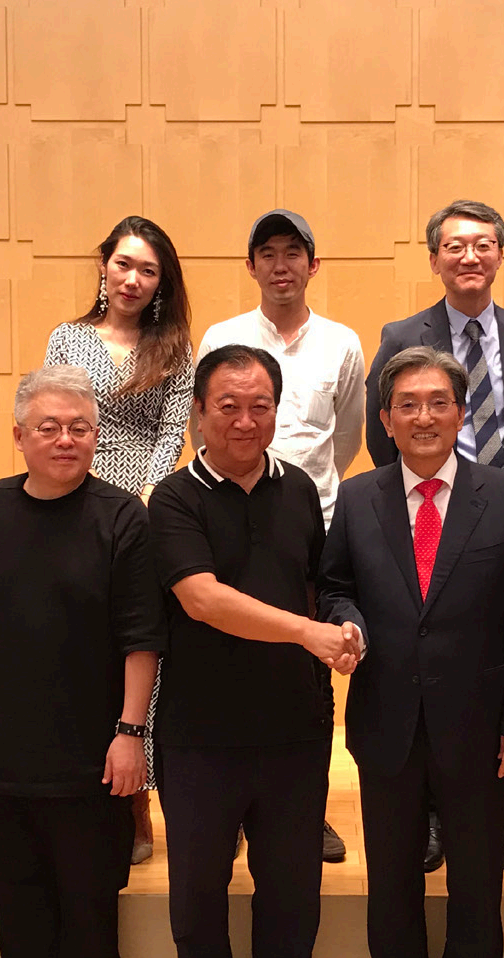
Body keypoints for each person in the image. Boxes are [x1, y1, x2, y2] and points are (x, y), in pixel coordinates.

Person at [320, 345, 504, 958]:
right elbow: (334, 586)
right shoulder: (358, 498)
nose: (423, 417)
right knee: (391, 883)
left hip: (480, 728)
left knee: (477, 884)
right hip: (387, 721)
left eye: (438, 402)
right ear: (384, 420)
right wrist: (346, 622)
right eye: (407, 405)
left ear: (461, 412)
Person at [149, 344, 360, 958]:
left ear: (277, 409)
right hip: (199, 734)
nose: (245, 420)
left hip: (295, 729)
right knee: (198, 893)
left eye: (259, 406)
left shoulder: (297, 488)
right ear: (199, 412)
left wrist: (342, 625)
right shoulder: (173, 498)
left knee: (291, 890)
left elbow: (319, 585)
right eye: (228, 406)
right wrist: (307, 632)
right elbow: (202, 599)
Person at [0, 365, 166, 958]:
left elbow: (142, 636)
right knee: (15, 880)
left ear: (96, 436)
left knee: (90, 881)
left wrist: (130, 732)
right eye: (48, 427)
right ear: (19, 435)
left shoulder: (122, 516)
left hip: (93, 741)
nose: (64, 440)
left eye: (79, 428)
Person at [364, 199, 504, 872]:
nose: (469, 257)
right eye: (454, 246)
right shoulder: (400, 333)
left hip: (502, 520)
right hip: (427, 514)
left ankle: (494, 818)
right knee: (433, 670)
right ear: (434, 259)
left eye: (482, 245)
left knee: (500, 660)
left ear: (499, 253)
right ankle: (432, 819)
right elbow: (380, 434)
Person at [198, 208, 367, 864]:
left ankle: (305, 808)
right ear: (250, 266)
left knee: (308, 666)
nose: (280, 265)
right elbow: (207, 423)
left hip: (310, 519)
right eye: (266, 253)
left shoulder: (342, 343)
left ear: (312, 265)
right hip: (231, 514)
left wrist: (307, 493)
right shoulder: (223, 336)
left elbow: (346, 436)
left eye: (292, 252)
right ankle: (236, 804)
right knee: (236, 653)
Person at [44, 214, 194, 865]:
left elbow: (171, 433)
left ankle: (139, 800)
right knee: (81, 645)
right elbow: (54, 415)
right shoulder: (67, 338)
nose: (133, 279)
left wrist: (143, 501)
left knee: (140, 645)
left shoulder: (175, 348)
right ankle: (84, 784)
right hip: (73, 497)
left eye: (148, 270)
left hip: (143, 507)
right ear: (104, 266)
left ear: (161, 283)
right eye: (124, 264)